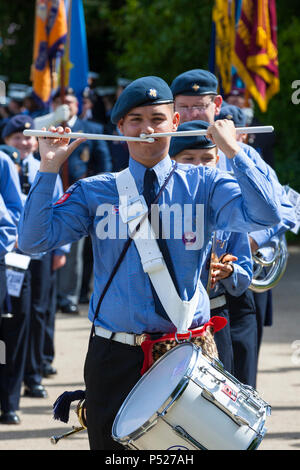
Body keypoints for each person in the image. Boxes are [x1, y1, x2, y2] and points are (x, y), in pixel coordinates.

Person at [18, 76, 281, 450]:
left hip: (187, 353)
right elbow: (32, 241)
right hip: (115, 355)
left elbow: (266, 215)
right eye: (136, 120)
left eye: (157, 119)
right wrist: (47, 170)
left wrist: (235, 152)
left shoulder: (204, 183)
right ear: (120, 128)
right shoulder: (95, 192)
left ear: (174, 124)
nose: (147, 129)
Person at [171, 69, 296, 386]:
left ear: (217, 104)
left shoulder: (242, 154)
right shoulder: (164, 156)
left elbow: (285, 206)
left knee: (240, 384)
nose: (192, 114)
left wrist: (249, 239)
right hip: (179, 298)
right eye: (184, 107)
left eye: (199, 106)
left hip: (234, 287)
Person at [169, 119, 253, 374]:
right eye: (189, 158)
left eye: (206, 158)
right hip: (167, 323)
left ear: (217, 161)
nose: (199, 166)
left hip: (215, 319)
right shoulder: (160, 207)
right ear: (171, 162)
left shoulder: (228, 208)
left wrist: (230, 272)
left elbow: (245, 273)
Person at [2, 114, 67, 398]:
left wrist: (61, 249)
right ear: (7, 140)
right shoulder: (6, 164)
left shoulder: (44, 164)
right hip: (12, 251)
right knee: (15, 315)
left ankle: (35, 371)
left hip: (40, 249)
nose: (25, 142)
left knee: (39, 311)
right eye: (17, 137)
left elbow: (60, 203)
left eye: (28, 137)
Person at [52, 87, 112, 314]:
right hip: (51, 195)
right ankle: (50, 291)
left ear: (77, 105)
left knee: (74, 251)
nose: (64, 106)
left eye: (68, 101)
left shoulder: (90, 130)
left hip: (78, 198)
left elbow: (104, 164)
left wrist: (95, 191)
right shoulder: (46, 128)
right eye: (59, 102)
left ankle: (67, 297)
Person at [0, 149, 24, 424]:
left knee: (5, 339)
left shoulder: (2, 161)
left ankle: (8, 403)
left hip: (9, 261)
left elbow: (11, 220)